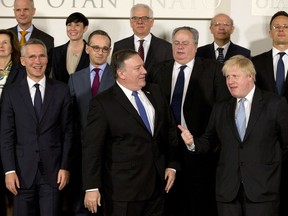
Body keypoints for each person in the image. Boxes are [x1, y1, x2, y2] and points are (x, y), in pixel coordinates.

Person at [179, 55, 288, 216]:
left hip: (263, 190)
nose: (230, 81)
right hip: (228, 192)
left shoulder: (275, 104)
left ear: (250, 76)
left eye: (235, 76)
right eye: (227, 77)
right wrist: (192, 142)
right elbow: (208, 141)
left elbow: (286, 145)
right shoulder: (220, 108)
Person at [82, 49, 179, 216]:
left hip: (157, 187)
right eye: (138, 68)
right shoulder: (103, 103)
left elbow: (169, 130)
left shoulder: (155, 92)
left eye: (143, 66)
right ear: (121, 73)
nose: (144, 71)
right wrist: (91, 187)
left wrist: (172, 164)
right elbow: (92, 148)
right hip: (123, 191)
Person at [147, 26, 230, 216]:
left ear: (196, 45)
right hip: (165, 148)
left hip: (201, 147)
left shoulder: (213, 69)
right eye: (176, 43)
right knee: (169, 202)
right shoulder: (158, 70)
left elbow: (222, 108)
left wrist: (213, 143)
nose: (180, 47)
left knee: (199, 203)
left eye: (185, 43)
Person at [0, 38, 72, 216]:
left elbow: (68, 132)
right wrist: (9, 170)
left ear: (47, 59)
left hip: (53, 172)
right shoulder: (11, 92)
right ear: (23, 61)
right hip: (21, 172)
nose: (37, 61)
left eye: (41, 56)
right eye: (32, 57)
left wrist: (65, 166)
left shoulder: (62, 90)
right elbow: (6, 134)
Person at [67, 30, 115, 216]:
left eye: (105, 48)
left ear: (109, 51)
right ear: (87, 49)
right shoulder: (74, 78)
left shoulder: (118, 77)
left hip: (109, 151)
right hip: (80, 152)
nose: (100, 52)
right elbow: (70, 117)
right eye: (96, 47)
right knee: (81, 204)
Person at [252, 10, 288, 216]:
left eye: (285, 27)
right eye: (277, 27)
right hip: (263, 137)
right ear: (270, 31)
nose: (281, 30)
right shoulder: (255, 62)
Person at [0, 29, 26, 216]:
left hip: (13, 136)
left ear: (12, 47)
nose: (1, 46)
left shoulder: (21, 70)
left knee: (15, 187)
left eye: (5, 42)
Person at [112, 3, 173, 72]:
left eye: (144, 18)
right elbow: (115, 74)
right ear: (130, 22)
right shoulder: (120, 46)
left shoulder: (166, 47)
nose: (140, 22)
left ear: (152, 22)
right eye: (135, 18)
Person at [8, 0, 54, 76]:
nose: (22, 13)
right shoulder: (4, 36)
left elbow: (47, 70)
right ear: (14, 12)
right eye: (18, 10)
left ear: (33, 11)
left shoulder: (47, 39)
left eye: (26, 9)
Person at [52, 12, 90, 83]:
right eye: (69, 25)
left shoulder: (92, 52)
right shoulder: (56, 52)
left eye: (77, 25)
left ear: (85, 28)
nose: (72, 28)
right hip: (61, 93)